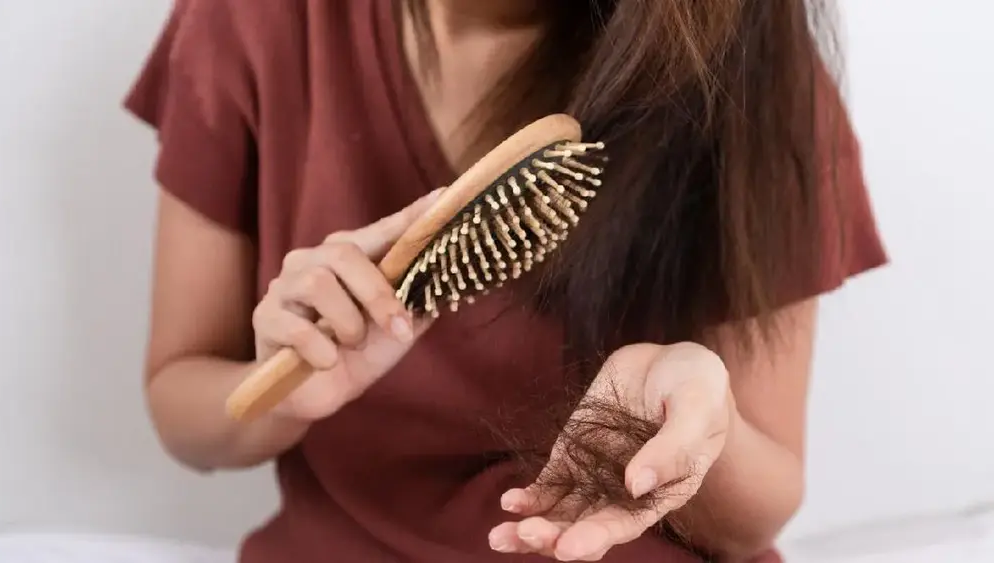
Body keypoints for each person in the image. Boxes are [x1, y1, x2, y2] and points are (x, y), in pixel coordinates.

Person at [124, 0, 887, 561]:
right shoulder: (251, 24)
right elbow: (182, 407)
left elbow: (758, 514)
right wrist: (283, 386)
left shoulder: (740, 56)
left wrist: (694, 417)